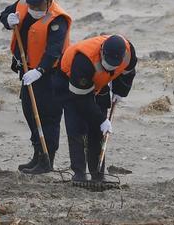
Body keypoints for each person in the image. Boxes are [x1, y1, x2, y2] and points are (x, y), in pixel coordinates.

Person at [0, 0, 72, 174]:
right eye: (31, 4)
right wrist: (8, 20)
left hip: (51, 75)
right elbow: (4, 14)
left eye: (37, 6)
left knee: (48, 116)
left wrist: (39, 71)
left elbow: (54, 51)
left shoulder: (58, 19)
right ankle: (37, 155)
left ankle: (48, 160)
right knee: (30, 111)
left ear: (48, 1)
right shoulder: (23, 4)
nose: (33, 9)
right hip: (27, 71)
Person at [55, 35, 138, 183]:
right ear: (102, 52)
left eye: (114, 64)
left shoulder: (128, 52)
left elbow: (128, 72)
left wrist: (121, 91)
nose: (111, 66)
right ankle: (79, 173)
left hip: (100, 83)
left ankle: (98, 174)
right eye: (108, 63)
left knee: (98, 132)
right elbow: (81, 99)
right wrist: (101, 119)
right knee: (77, 127)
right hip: (70, 82)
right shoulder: (83, 61)